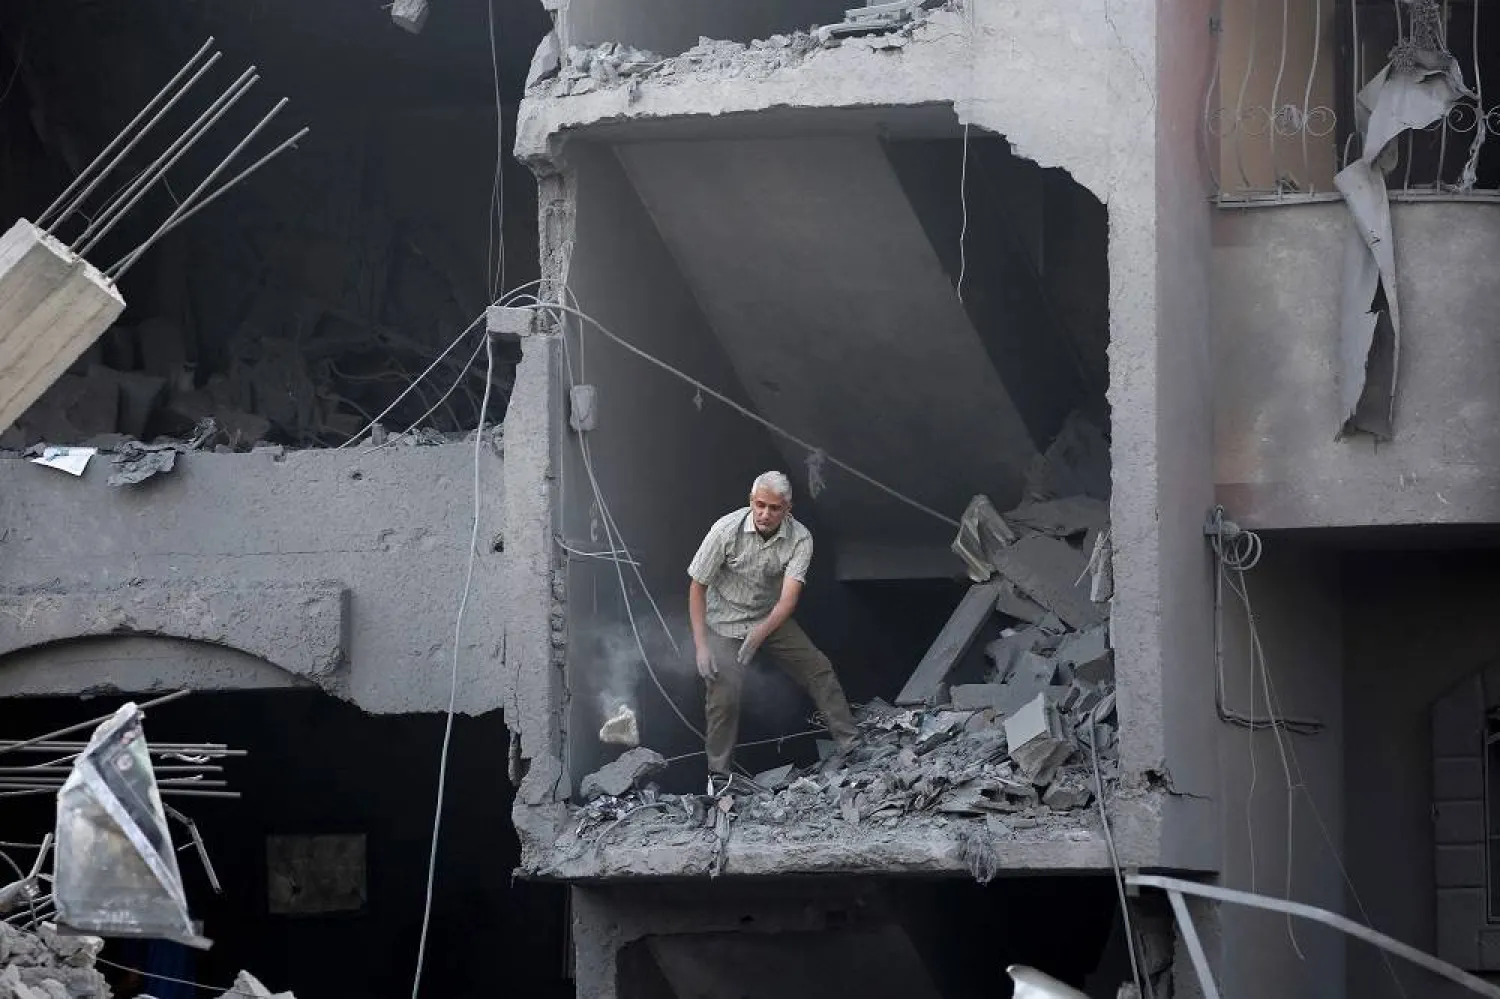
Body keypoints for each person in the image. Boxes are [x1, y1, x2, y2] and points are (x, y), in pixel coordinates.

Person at [687, 470, 859, 779]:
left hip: (770, 617)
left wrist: (760, 634)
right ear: (751, 501)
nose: (766, 514)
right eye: (760, 505)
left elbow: (788, 600)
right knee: (722, 700)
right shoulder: (724, 530)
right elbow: (697, 587)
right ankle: (719, 777)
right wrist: (701, 647)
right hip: (723, 623)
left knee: (819, 668)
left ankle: (851, 746)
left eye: (775, 508)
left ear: (788, 509)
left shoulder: (800, 538)